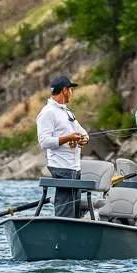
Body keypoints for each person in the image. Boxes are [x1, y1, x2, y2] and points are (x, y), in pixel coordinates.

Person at [36, 75, 89, 218]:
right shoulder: (47, 113)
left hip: (74, 168)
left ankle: (72, 237)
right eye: (71, 89)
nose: (72, 92)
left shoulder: (66, 112)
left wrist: (84, 139)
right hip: (61, 167)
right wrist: (68, 138)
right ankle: (61, 235)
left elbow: (82, 132)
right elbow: (44, 142)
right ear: (65, 90)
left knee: (75, 211)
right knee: (65, 210)